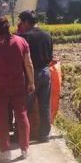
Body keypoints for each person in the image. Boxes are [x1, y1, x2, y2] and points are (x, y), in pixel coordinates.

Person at [0, 16, 35, 162]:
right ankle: (25, 148)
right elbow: (28, 64)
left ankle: (5, 151)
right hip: (19, 84)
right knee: (22, 114)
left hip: (0, 86)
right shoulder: (21, 41)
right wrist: (31, 82)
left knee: (2, 118)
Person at [18, 10, 54, 142]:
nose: (20, 25)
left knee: (25, 106)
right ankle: (44, 135)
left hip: (31, 74)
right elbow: (50, 56)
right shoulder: (47, 35)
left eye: (21, 22)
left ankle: (21, 135)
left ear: (27, 22)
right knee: (44, 105)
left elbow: (24, 60)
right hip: (46, 71)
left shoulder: (25, 37)